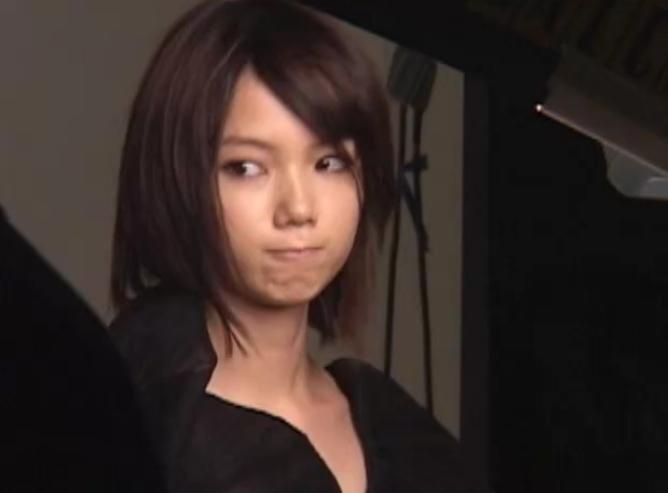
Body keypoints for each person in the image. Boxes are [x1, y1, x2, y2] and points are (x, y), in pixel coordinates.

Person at [108, 1, 476, 491]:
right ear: (177, 178)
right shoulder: (141, 416)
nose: (299, 209)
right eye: (247, 168)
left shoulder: (395, 430)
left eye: (329, 163)